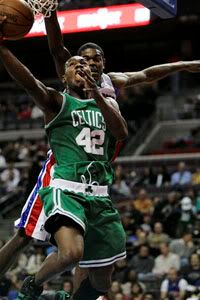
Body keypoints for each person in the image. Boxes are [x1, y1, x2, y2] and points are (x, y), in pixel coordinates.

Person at [2, 7, 200, 297]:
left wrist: (184, 64)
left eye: (95, 60)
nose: (89, 64)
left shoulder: (108, 83)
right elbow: (54, 54)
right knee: (27, 235)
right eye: (82, 61)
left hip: (98, 177)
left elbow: (147, 75)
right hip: (65, 168)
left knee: (99, 273)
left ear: (104, 63)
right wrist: (49, 14)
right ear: (67, 73)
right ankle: (31, 287)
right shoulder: (63, 93)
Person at [0, 22, 128, 300]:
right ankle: (33, 283)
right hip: (67, 188)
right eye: (73, 64)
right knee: (70, 253)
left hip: (100, 196)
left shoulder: (104, 104)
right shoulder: (56, 102)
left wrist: (97, 93)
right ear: (64, 75)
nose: (80, 66)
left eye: (85, 64)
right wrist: (2, 48)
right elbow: (28, 80)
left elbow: (121, 133)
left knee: (102, 283)